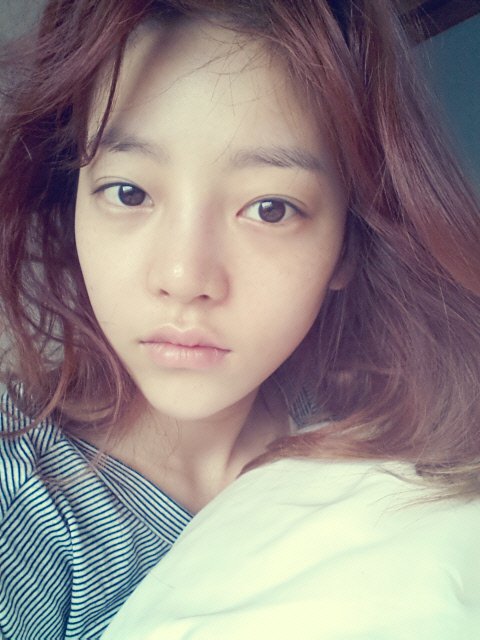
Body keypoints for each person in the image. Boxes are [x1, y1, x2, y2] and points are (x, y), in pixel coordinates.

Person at [0, 1, 479, 639]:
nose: (184, 277)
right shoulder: (26, 500)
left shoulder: (358, 420)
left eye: (270, 208)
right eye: (129, 192)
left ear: (347, 246)